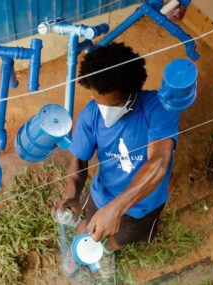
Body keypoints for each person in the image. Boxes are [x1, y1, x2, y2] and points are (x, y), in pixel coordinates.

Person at [53, 42, 180, 282]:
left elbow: (159, 162)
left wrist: (117, 209)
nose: (104, 111)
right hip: (103, 196)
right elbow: (79, 160)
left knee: (121, 237)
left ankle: (107, 252)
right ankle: (87, 249)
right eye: (98, 101)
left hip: (145, 203)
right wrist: (72, 194)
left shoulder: (158, 108)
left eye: (112, 105)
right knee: (90, 230)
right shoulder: (91, 114)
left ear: (131, 91)